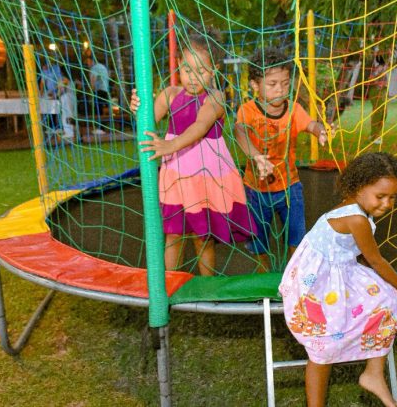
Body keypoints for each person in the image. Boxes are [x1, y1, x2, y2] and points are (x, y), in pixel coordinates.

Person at [279, 152, 397, 407]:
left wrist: (389, 287)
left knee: (386, 300)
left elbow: (360, 256)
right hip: (314, 281)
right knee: (324, 340)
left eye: (392, 197)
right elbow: (376, 260)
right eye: (381, 196)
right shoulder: (356, 219)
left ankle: (373, 373)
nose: (387, 204)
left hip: (337, 268)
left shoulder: (354, 206)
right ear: (358, 188)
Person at [132, 27, 255, 276]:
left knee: (203, 237)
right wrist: (137, 107)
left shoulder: (217, 98)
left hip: (206, 178)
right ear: (178, 64)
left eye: (201, 71)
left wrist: (170, 145)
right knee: (173, 235)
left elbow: (200, 126)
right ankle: (167, 284)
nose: (193, 77)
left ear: (215, 70)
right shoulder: (169, 94)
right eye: (187, 70)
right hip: (177, 177)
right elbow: (147, 121)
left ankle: (208, 287)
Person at [235, 46, 329, 272]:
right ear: (255, 86)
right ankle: (264, 272)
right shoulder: (248, 110)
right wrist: (256, 157)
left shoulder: (294, 109)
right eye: (273, 84)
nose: (281, 89)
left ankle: (293, 274)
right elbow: (240, 132)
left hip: (289, 188)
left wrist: (320, 130)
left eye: (285, 83)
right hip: (255, 190)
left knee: (296, 236)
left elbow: (310, 123)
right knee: (258, 240)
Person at [367, 53, 389, 145]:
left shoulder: (385, 67)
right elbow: (370, 79)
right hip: (376, 92)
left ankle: (376, 134)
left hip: (383, 92)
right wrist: (377, 83)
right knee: (378, 113)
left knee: (384, 113)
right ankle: (374, 136)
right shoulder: (379, 68)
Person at [88, 58, 111, 135]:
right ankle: (105, 128)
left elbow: (93, 79)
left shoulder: (94, 68)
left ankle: (100, 129)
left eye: (88, 62)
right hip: (106, 90)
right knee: (104, 109)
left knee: (98, 109)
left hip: (99, 91)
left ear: (92, 61)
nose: (87, 64)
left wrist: (92, 90)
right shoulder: (103, 67)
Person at [57, 76, 77, 141]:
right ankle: (70, 132)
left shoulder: (67, 83)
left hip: (67, 98)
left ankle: (70, 133)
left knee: (67, 115)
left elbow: (61, 91)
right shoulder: (71, 83)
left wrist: (60, 87)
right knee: (69, 115)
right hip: (69, 98)